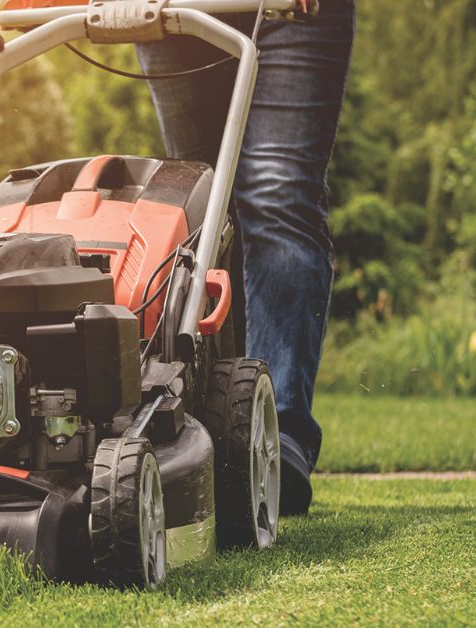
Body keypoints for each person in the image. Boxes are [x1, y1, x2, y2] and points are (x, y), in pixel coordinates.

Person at [137, 0, 355, 515]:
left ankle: (275, 432)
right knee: (200, 206)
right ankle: (207, 427)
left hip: (294, 14)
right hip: (170, 13)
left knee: (278, 196)